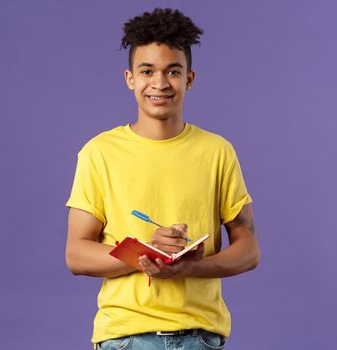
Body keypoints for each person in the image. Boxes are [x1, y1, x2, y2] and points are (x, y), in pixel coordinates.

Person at [65, 8, 260, 350]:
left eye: (172, 71)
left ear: (189, 79)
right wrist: (145, 256)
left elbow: (249, 249)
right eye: (147, 71)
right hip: (124, 337)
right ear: (130, 78)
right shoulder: (99, 153)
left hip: (200, 337)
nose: (159, 82)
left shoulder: (217, 152)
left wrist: (189, 268)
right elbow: (76, 254)